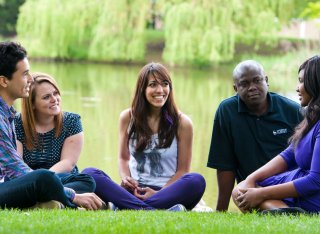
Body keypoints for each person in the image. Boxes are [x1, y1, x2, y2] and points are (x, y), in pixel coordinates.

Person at [83, 62, 206, 211]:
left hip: (168, 192)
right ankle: (153, 209)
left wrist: (159, 193)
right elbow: (123, 158)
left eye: (165, 84)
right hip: (135, 191)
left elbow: (183, 171)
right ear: (142, 89)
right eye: (153, 84)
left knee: (197, 181)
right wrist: (126, 179)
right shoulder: (127, 117)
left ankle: (127, 206)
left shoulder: (183, 123)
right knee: (89, 174)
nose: (160, 90)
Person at [0, 41, 102, 210]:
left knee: (83, 180)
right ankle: (49, 200)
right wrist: (73, 195)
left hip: (11, 183)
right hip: (6, 185)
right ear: (4, 81)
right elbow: (15, 169)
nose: (30, 79)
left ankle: (43, 201)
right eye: (25, 74)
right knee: (44, 179)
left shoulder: (7, 114)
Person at [207, 60, 303, 211]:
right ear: (235, 88)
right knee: (240, 192)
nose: (252, 87)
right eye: (244, 84)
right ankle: (284, 213)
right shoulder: (227, 111)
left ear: (266, 81)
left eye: (257, 80)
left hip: (290, 186)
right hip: (254, 189)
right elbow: (225, 165)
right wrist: (221, 210)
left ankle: (289, 210)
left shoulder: (293, 111)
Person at [232, 55, 320, 213]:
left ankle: (291, 216)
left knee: (249, 195)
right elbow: (289, 155)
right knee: (241, 190)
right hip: (299, 182)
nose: (297, 88)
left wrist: (261, 194)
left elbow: (315, 180)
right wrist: (251, 179)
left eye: (301, 81)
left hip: (313, 193)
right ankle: (287, 214)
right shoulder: (312, 118)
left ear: (316, 82)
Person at [15, 72, 95, 194]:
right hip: (28, 179)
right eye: (46, 97)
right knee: (12, 182)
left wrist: (46, 180)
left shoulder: (72, 121)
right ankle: (57, 197)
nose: (54, 99)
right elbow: (17, 163)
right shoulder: (17, 123)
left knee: (87, 182)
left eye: (56, 93)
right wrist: (37, 180)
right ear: (32, 103)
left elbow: (68, 163)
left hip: (62, 178)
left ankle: (44, 197)